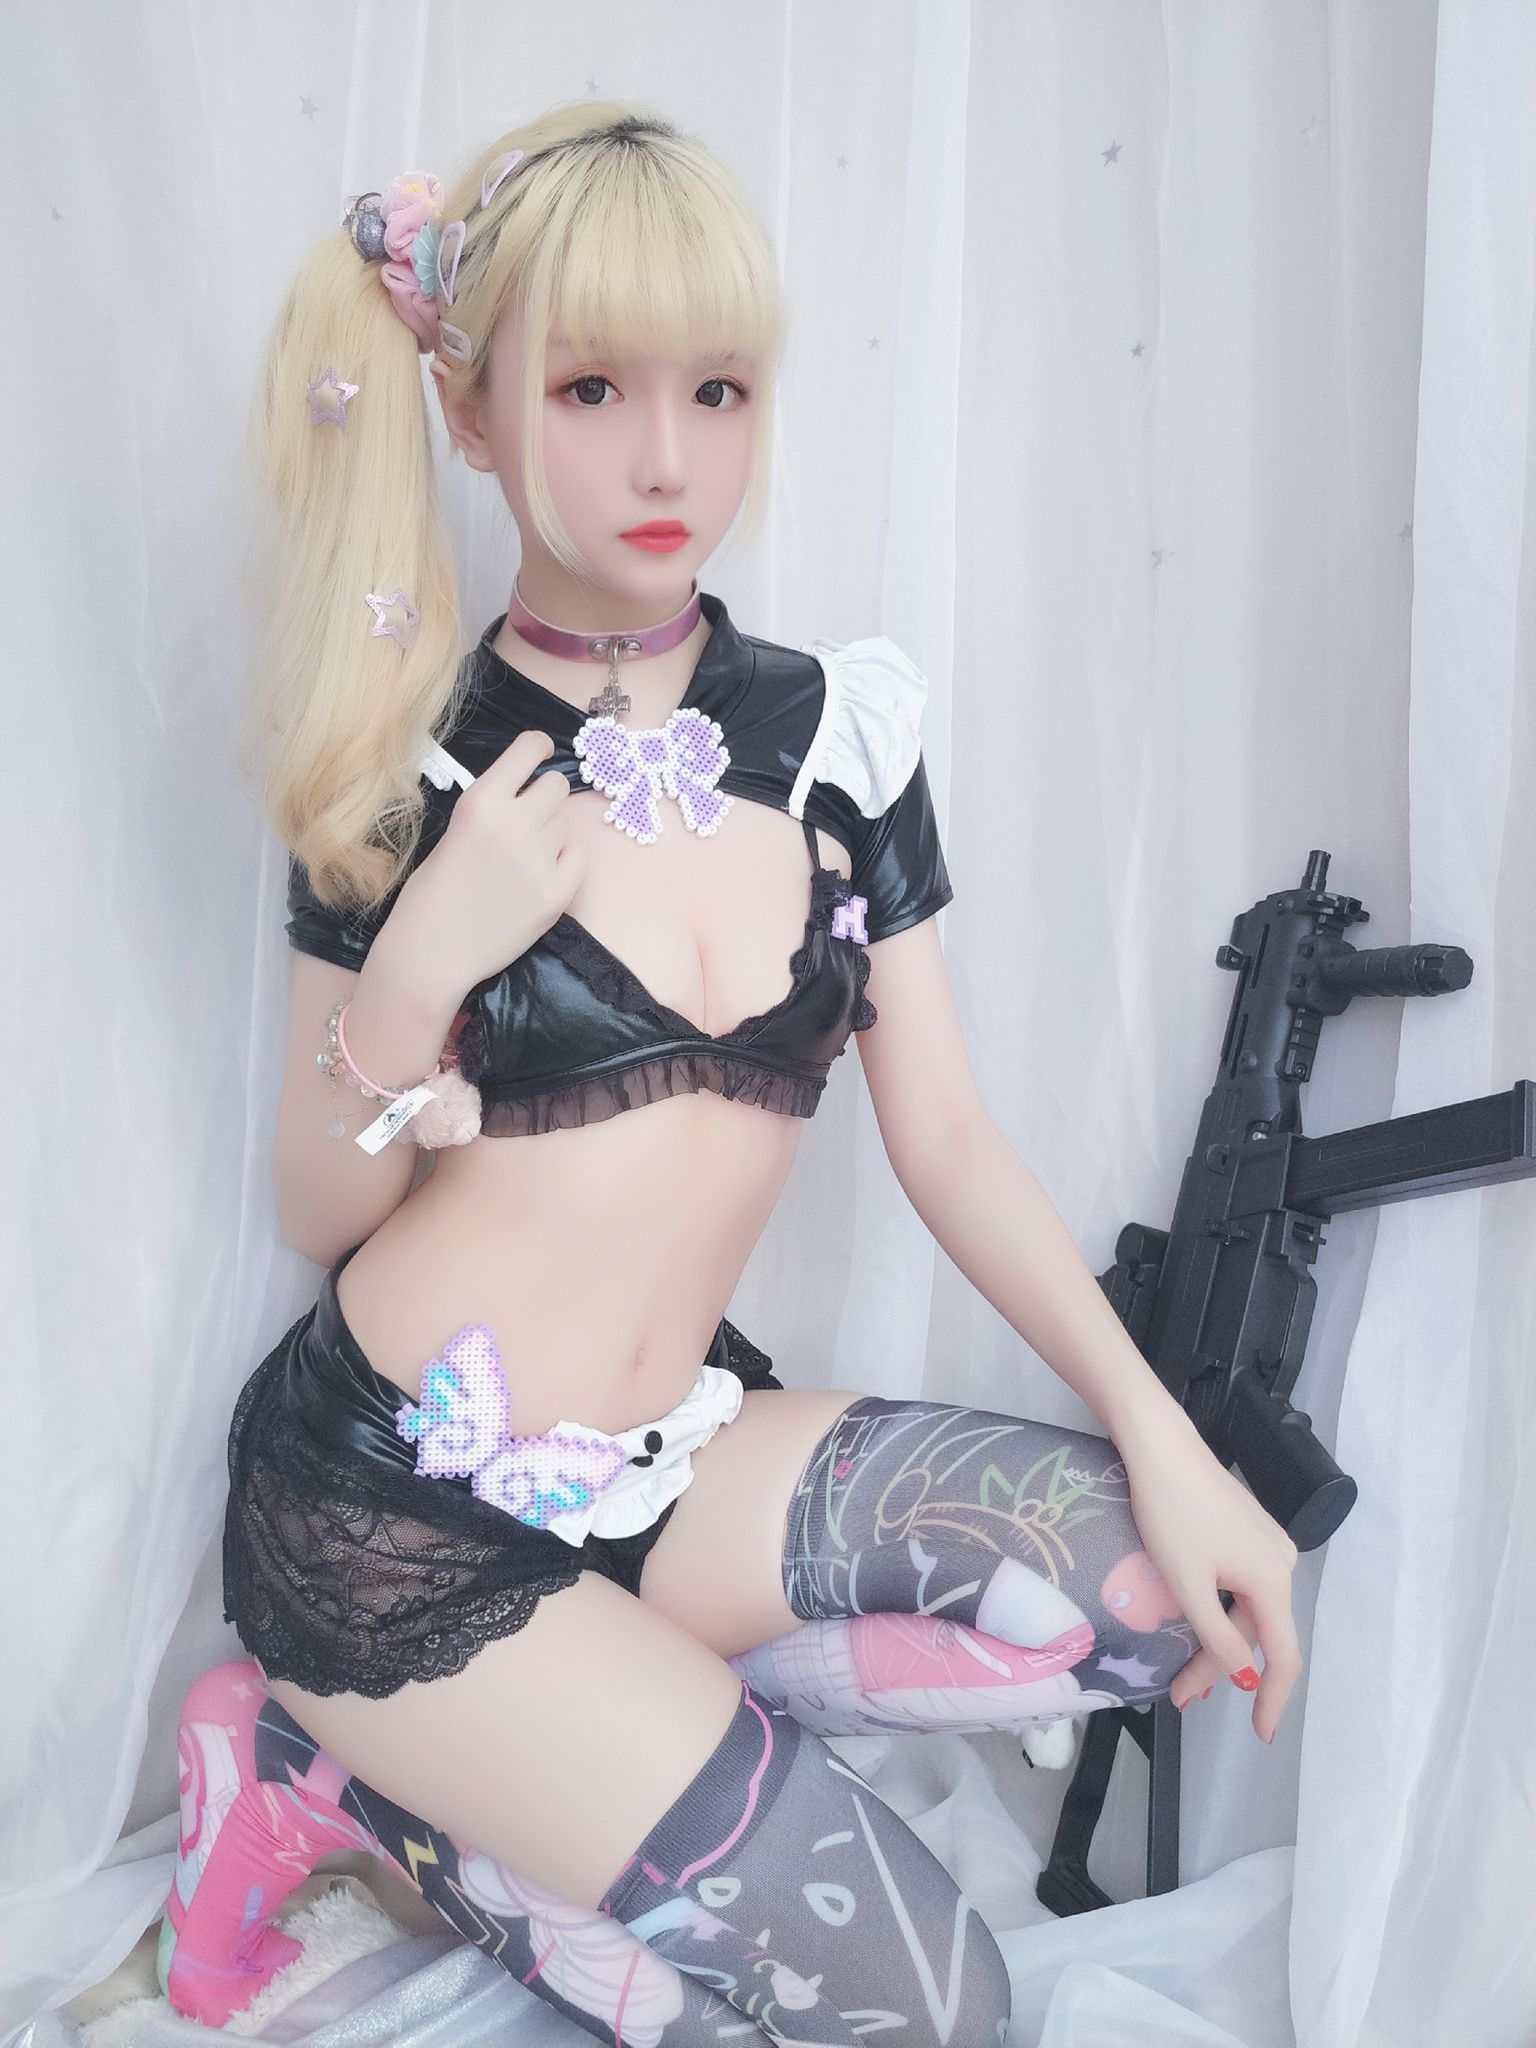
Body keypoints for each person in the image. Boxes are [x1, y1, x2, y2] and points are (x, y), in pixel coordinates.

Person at [193, 100, 1302, 2045]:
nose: (666, 457)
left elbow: (945, 1134)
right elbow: (319, 1203)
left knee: (1141, 1593)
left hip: (674, 1458)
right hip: (405, 1522)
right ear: (471, 413)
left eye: (715, 390)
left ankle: (618, 1726)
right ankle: (346, 1784)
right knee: (935, 2009)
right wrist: (432, 949)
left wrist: (1170, 1440)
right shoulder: (409, 750)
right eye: (592, 389)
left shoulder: (834, 733)